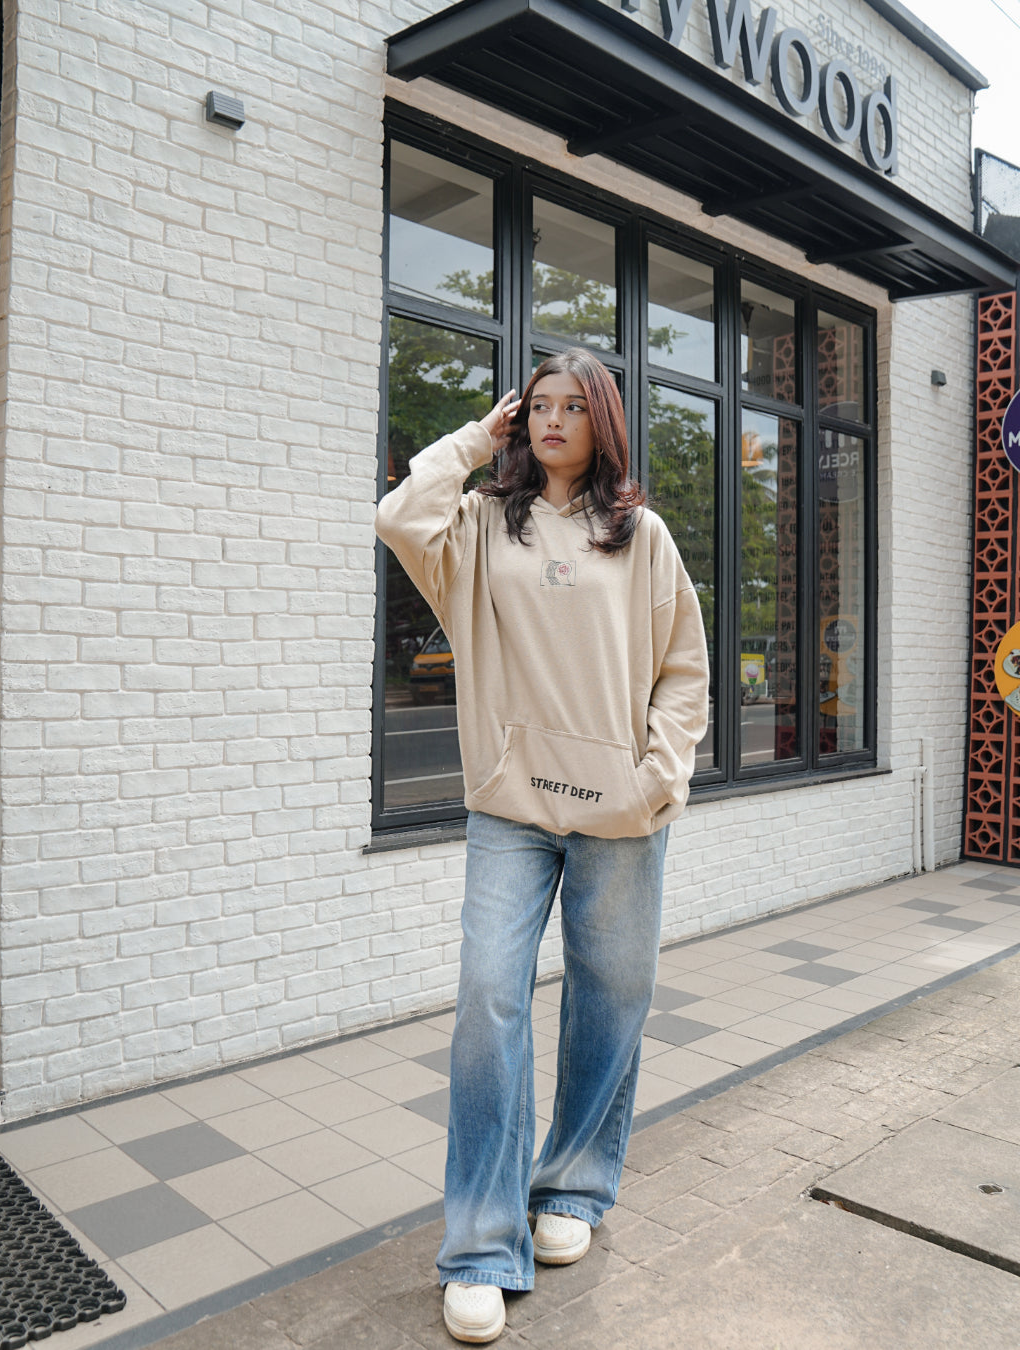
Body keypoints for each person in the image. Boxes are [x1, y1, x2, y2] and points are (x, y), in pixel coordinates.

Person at [375, 348, 709, 1343]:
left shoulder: (639, 536)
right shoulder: (480, 526)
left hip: (618, 815)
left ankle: (574, 1187)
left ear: (604, 420)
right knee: (488, 996)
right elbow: (399, 516)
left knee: (610, 996)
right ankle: (480, 1246)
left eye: (575, 406)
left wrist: (658, 778)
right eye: (541, 407)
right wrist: (478, 438)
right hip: (511, 812)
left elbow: (684, 668)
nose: (555, 421)